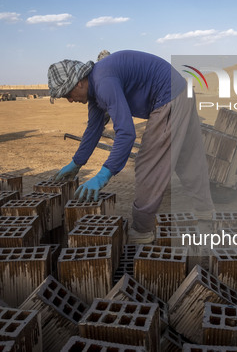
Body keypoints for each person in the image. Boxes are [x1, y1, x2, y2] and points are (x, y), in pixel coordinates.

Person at [48, 50, 214, 244]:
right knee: (188, 158)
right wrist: (76, 163)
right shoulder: (95, 88)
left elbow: (126, 133)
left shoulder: (103, 82)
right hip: (180, 91)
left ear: (79, 82)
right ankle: (205, 211)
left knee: (148, 164)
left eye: (68, 94)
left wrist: (103, 175)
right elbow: (94, 129)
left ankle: (142, 231)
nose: (70, 100)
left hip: (169, 97)